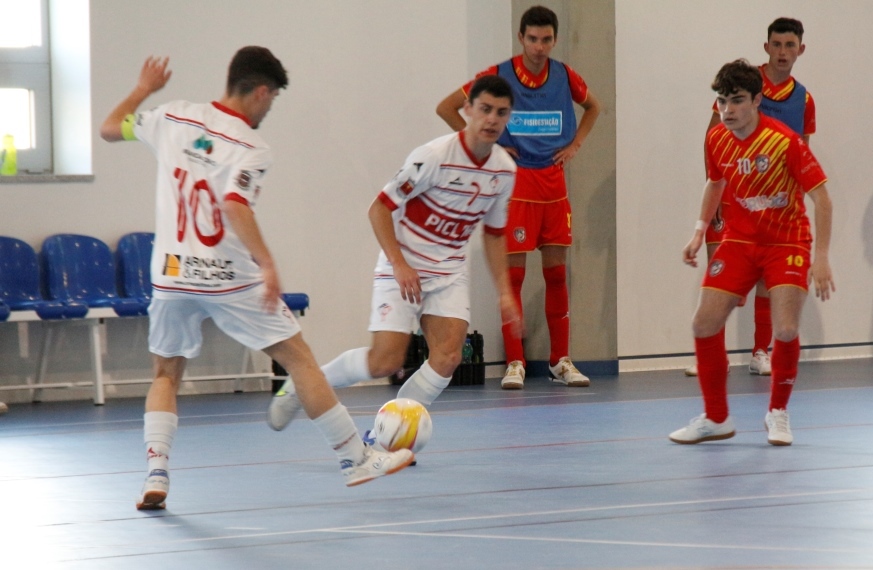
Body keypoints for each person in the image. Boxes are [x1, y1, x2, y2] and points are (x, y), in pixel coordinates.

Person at [100, 48, 413, 510]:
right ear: (261, 91)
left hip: (170, 273)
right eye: (273, 99)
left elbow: (110, 129)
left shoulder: (173, 116)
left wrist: (144, 89)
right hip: (228, 275)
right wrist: (266, 262)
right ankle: (355, 458)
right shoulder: (250, 145)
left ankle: (157, 475)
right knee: (300, 358)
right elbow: (234, 204)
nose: (269, 109)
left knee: (166, 372)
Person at [268, 75, 521, 432]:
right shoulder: (432, 157)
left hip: (449, 270)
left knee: (448, 358)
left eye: (501, 112)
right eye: (485, 110)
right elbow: (379, 209)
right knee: (385, 361)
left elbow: (495, 235)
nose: (492, 119)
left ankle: (390, 431)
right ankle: (301, 384)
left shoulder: (504, 171)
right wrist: (400, 265)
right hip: (403, 263)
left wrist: (505, 293)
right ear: (467, 110)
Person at [670, 59, 833, 447]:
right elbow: (715, 184)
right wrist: (698, 233)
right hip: (740, 242)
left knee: (786, 329)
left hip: (787, 242)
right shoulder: (717, 139)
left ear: (758, 99)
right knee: (703, 324)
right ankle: (716, 417)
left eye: (737, 101)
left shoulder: (785, 141)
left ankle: (777, 412)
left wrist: (822, 256)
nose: (728, 110)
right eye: (722, 101)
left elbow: (822, 200)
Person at [436, 5, 600, 390]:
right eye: (532, 38)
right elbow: (447, 107)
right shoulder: (499, 74)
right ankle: (515, 362)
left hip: (554, 184)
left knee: (557, 273)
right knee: (512, 275)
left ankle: (560, 361)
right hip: (516, 185)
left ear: (554, 40)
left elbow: (594, 106)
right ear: (521, 38)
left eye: (546, 39)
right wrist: (487, 145)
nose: (539, 46)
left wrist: (576, 143)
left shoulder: (564, 75)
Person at [686, 17, 815, 378]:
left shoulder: (804, 99)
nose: (782, 52)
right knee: (718, 273)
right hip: (732, 197)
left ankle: (761, 351)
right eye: (777, 44)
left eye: (790, 45)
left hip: (773, 207)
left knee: (764, 281)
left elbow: (803, 154)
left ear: (800, 50)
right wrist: (712, 198)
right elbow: (713, 140)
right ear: (766, 47)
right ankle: (712, 351)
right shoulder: (740, 84)